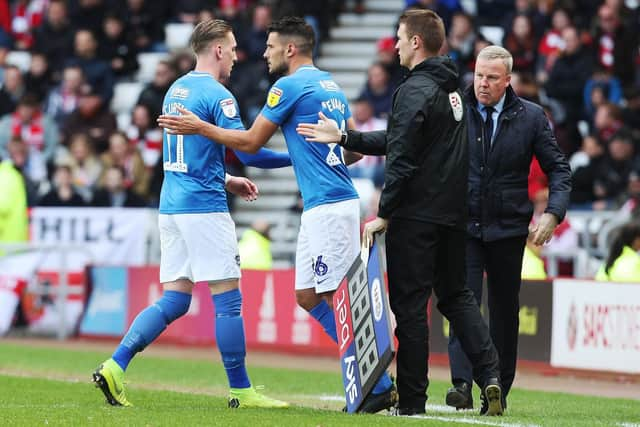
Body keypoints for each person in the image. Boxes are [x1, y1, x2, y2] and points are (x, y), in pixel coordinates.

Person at [157, 16, 398, 413]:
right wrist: (312, 157)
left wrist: (200, 128)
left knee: (339, 295)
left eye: (270, 47)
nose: (263, 54)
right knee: (307, 295)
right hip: (325, 201)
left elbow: (251, 142)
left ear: (290, 49)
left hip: (328, 206)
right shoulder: (331, 86)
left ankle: (379, 383)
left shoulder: (287, 86)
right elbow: (354, 148)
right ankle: (375, 373)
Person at [295, 9, 503, 416]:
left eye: (399, 37)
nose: (394, 45)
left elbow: (402, 157)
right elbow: (400, 138)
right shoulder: (454, 89)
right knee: (458, 297)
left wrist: (385, 212)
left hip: (416, 216)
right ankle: (491, 376)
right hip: (452, 214)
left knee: (410, 309)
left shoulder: (413, 91)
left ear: (416, 43)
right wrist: (344, 136)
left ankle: (411, 401)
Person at [92, 19, 292, 410]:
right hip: (203, 209)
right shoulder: (219, 95)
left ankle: (116, 366)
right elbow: (250, 149)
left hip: (172, 205)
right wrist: (297, 160)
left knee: (176, 300)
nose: (236, 56)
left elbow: (192, 157)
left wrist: (227, 178)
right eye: (232, 48)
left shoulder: (175, 89)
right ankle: (241, 390)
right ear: (217, 49)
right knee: (228, 300)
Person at [443, 45, 571, 412]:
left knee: (504, 311)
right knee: (461, 301)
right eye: (479, 75)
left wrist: (552, 213)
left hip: (509, 229)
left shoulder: (531, 117)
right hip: (462, 225)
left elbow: (559, 169)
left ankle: (497, 387)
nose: (482, 83)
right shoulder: (455, 109)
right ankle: (462, 384)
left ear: (508, 80)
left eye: (492, 78)